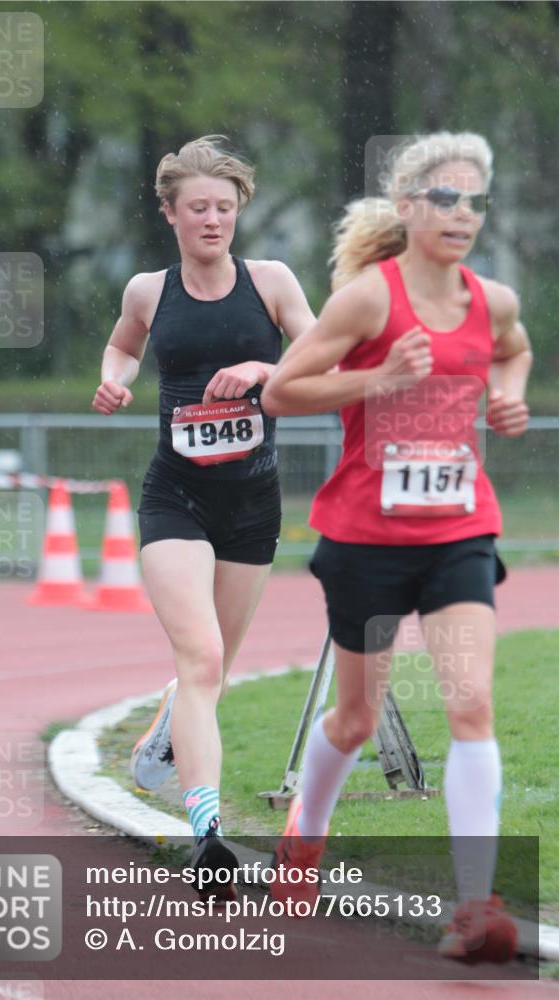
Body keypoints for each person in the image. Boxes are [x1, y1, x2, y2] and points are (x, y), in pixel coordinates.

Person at [261, 131, 532, 961]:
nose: (462, 216)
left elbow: (513, 353)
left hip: (458, 530)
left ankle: (476, 906)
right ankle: (304, 837)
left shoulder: (493, 300)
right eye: (445, 199)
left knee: (469, 705)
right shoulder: (366, 303)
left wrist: (506, 398)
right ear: (408, 205)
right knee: (354, 717)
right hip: (365, 539)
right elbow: (279, 391)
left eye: (474, 202)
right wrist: (377, 380)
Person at [92, 136, 314, 897]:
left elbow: (321, 360)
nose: (212, 220)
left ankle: (163, 738)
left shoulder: (273, 281)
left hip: (252, 504)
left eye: (223, 207)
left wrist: (262, 369)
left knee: (214, 668)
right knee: (203, 659)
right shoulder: (149, 291)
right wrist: (112, 379)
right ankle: (208, 833)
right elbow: (122, 346)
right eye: (197, 209)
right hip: (174, 497)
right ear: (170, 214)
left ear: (237, 211)